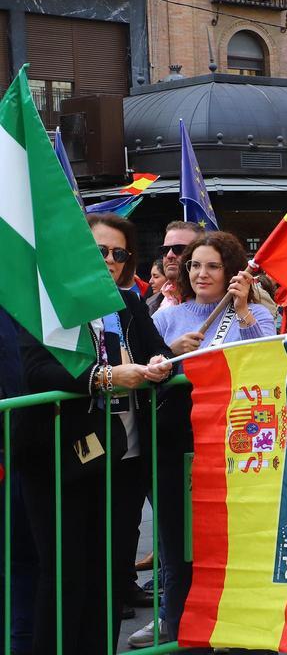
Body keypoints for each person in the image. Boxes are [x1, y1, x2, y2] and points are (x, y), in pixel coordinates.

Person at [16, 213, 173, 655]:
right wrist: (106, 377)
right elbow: (37, 370)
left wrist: (160, 366)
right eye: (99, 250)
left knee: (109, 576)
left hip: (123, 460)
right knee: (64, 577)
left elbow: (156, 350)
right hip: (59, 461)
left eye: (119, 254)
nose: (108, 260)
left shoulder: (129, 304)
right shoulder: (47, 302)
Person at [128, 231, 275, 649]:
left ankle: (239, 634)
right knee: (178, 551)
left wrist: (243, 309)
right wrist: (168, 352)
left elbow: (264, 361)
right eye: (195, 265)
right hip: (176, 447)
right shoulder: (167, 318)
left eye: (212, 266)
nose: (201, 273)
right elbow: (139, 367)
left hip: (237, 447)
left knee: (236, 546)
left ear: (230, 271)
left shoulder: (255, 314)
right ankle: (183, 637)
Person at [146, 221, 201, 315]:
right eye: (165, 250)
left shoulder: (219, 303)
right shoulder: (149, 304)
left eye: (179, 249)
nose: (169, 255)